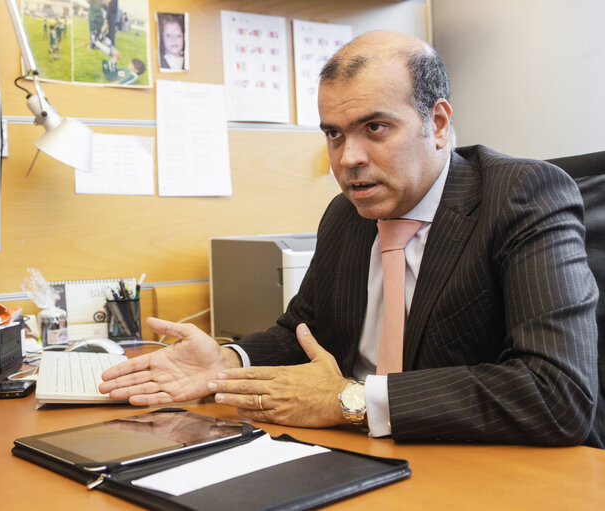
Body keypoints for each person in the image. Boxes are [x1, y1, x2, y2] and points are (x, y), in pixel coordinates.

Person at [100, 31, 604, 448]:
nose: (347, 159)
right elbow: (303, 331)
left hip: (482, 469)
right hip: (354, 453)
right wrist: (227, 362)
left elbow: (556, 393)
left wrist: (351, 401)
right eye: (334, 134)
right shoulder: (347, 214)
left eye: (375, 127)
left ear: (440, 123)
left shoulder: (523, 197)